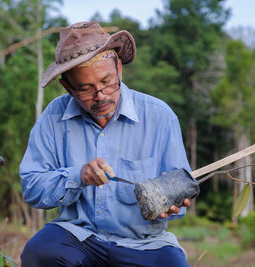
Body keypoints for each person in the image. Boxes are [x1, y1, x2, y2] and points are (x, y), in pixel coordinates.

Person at [20, 21, 192, 267]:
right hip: (77, 237)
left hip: (144, 244)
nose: (101, 96)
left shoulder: (159, 116)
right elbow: (32, 186)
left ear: (119, 69)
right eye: (86, 89)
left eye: (107, 82)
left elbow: (181, 185)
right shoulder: (53, 118)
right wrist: (78, 176)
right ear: (67, 87)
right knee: (39, 253)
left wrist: (174, 204)